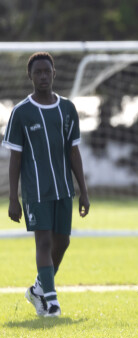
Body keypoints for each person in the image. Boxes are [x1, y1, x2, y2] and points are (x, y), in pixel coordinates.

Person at [2, 52, 90, 317]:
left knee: (62, 242)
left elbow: (73, 152)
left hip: (63, 189)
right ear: (30, 76)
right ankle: (51, 303)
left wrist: (83, 191)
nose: (42, 76)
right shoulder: (21, 112)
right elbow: (15, 159)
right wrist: (14, 198)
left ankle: (38, 288)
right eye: (37, 72)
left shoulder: (67, 109)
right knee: (43, 242)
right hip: (36, 191)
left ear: (54, 74)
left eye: (46, 71)